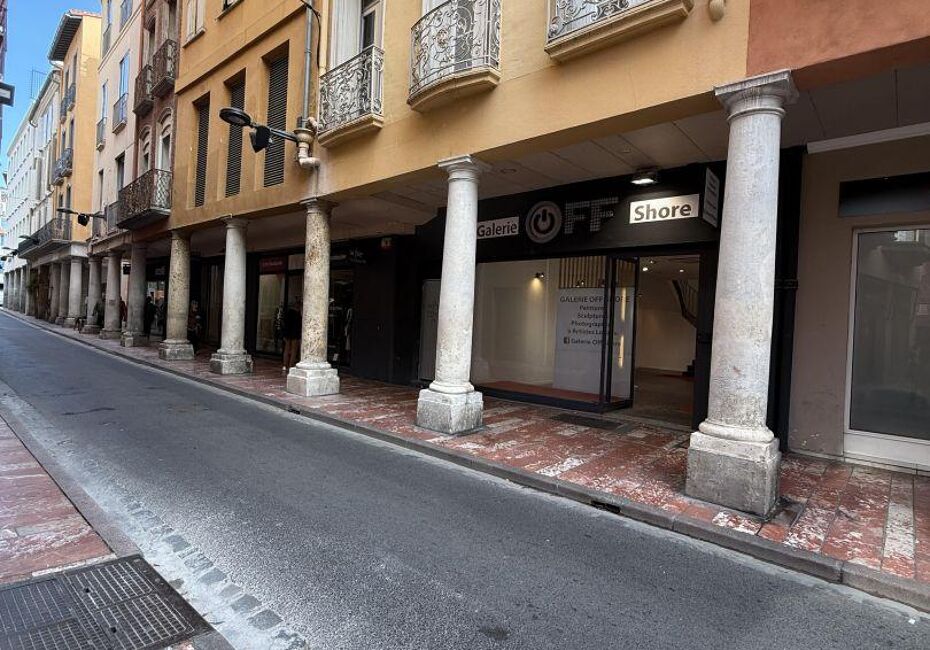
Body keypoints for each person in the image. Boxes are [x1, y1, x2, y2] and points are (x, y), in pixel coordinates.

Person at [282, 298, 301, 372]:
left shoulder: (288, 313)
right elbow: (298, 325)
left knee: (286, 349)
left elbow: (285, 324)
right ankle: (290, 366)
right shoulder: (297, 314)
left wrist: (284, 333)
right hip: (295, 333)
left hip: (288, 333)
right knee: (294, 350)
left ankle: (284, 365)